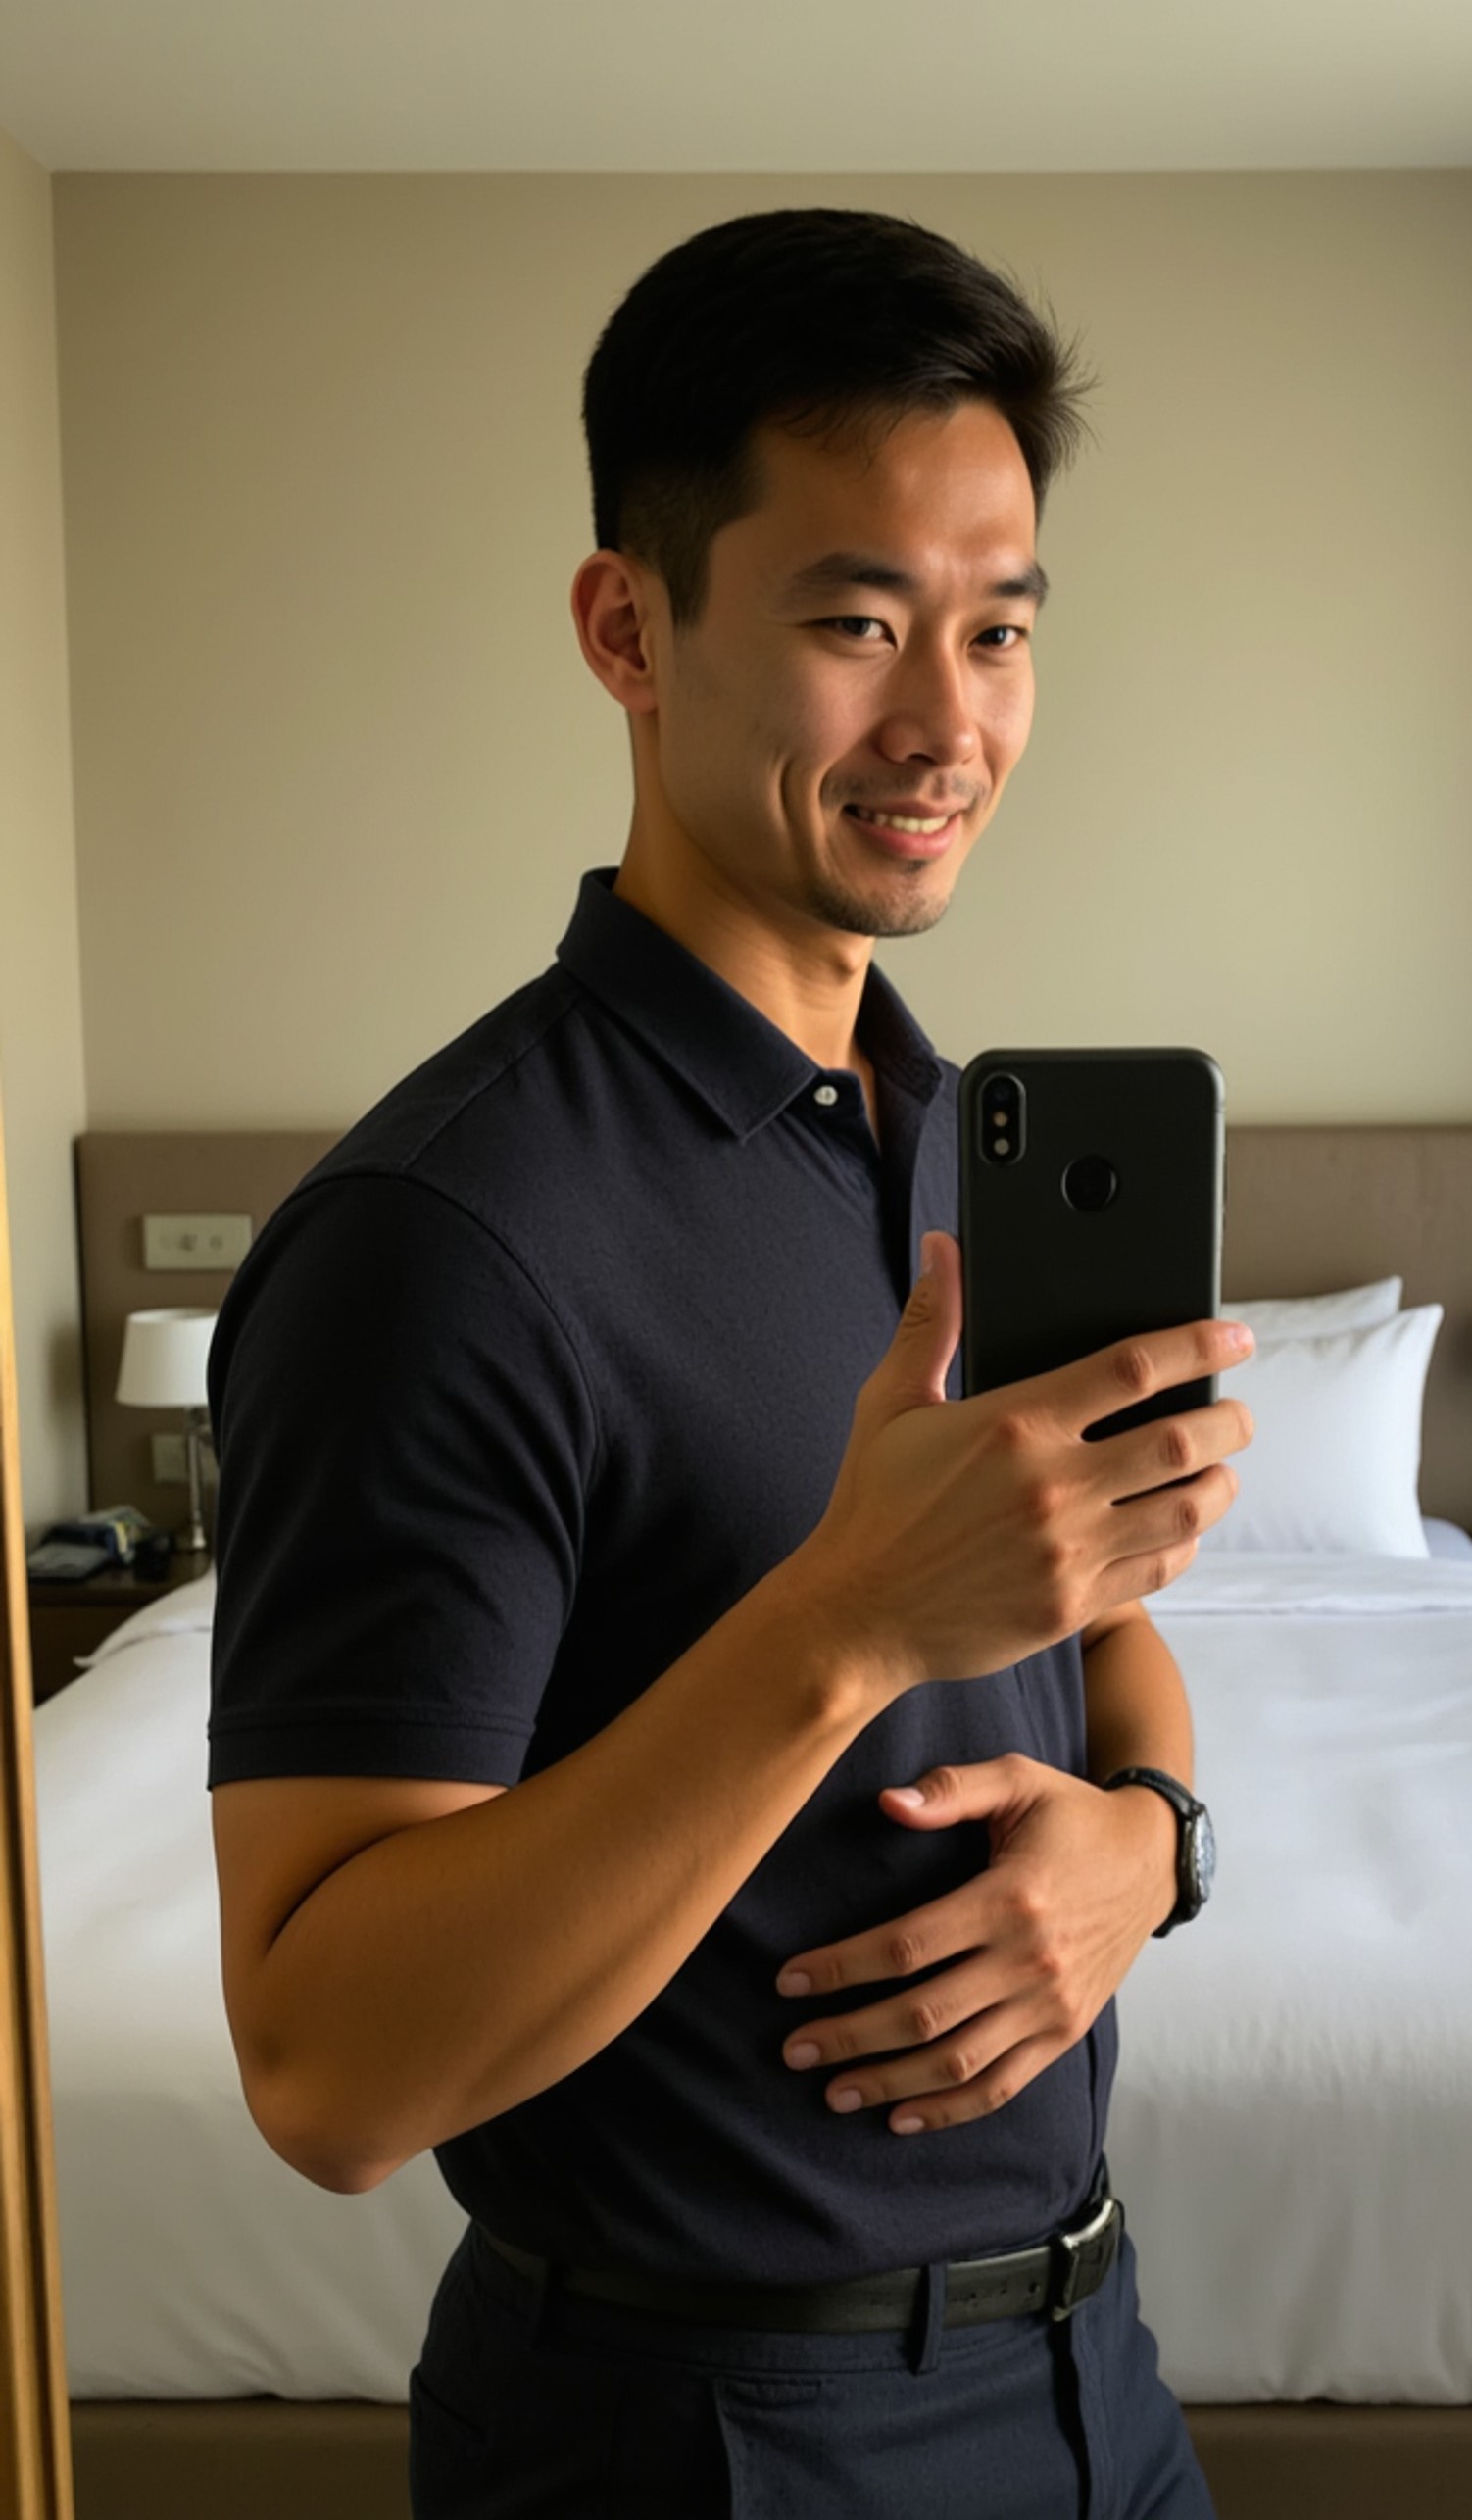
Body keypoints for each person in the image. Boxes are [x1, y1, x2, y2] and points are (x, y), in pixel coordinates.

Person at [206, 206, 1251, 2520]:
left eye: (997, 631)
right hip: (698, 2434)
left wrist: (1141, 1846)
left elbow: (1105, 1635)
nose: (947, 719)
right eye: (856, 619)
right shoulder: (442, 1240)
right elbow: (326, 2064)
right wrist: (852, 1615)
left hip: (1094, 2370)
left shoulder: (926, 1128)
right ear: (627, 626)